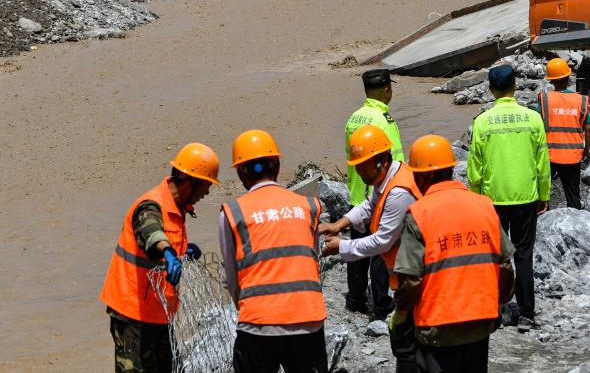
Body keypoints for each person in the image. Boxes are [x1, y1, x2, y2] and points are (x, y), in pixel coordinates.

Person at [393, 135, 516, 373]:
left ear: (425, 175)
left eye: (416, 174)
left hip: (438, 327)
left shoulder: (420, 213)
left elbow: (411, 280)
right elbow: (505, 267)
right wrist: (500, 304)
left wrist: (400, 315)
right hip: (480, 323)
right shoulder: (484, 205)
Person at [101, 143, 220, 373]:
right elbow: (150, 232)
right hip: (132, 315)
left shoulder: (178, 208)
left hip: (159, 313)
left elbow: (166, 249)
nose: (206, 194)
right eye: (205, 186)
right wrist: (166, 251)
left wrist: (183, 253)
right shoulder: (151, 205)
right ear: (189, 182)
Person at [220, 130, 327, 373]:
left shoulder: (233, 212)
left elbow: (232, 278)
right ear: (277, 165)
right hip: (307, 320)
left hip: (258, 324)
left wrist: (251, 307)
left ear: (240, 173)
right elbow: (314, 259)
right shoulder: (309, 206)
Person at [320, 125, 421, 372]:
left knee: (411, 347)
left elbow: (382, 241)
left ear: (380, 160)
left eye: (363, 166)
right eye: (357, 166)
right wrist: (339, 224)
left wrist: (341, 246)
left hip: (417, 276)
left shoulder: (398, 192)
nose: (359, 172)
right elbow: (370, 204)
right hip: (407, 272)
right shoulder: (386, 178)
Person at [467, 64, 550, 330]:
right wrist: (543, 194)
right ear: (515, 86)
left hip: (493, 201)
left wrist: (475, 199)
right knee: (523, 255)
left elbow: (474, 170)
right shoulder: (532, 118)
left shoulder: (481, 122)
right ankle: (526, 314)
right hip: (526, 197)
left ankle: (496, 311)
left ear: (491, 90)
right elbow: (542, 163)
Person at [344, 69, 405, 319]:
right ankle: (381, 303)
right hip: (379, 196)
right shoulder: (384, 120)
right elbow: (395, 161)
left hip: (357, 193)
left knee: (356, 248)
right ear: (387, 90)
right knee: (381, 249)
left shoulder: (353, 118)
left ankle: (356, 298)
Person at [534, 58, 590, 209]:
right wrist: (587, 150)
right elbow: (589, 127)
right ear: (568, 77)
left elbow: (537, 125)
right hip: (572, 156)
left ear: (551, 81)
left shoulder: (545, 99)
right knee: (573, 194)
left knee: (543, 190)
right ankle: (575, 218)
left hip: (549, 155)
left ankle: (542, 213)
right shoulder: (580, 100)